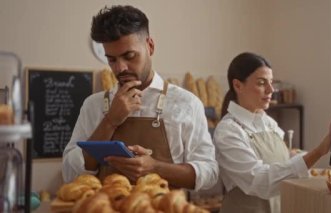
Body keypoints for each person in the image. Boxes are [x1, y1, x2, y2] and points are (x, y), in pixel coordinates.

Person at [62, 5, 218, 191]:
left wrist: (155, 168)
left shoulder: (186, 103)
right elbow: (70, 175)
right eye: (111, 59)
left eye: (129, 56)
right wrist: (110, 121)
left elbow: (209, 173)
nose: (120, 68)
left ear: (150, 46)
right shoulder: (93, 105)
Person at [213, 52, 331, 213]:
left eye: (271, 82)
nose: (271, 90)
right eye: (262, 83)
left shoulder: (268, 122)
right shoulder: (228, 131)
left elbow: (284, 160)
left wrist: (321, 167)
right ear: (238, 85)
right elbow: (262, 182)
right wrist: (318, 152)